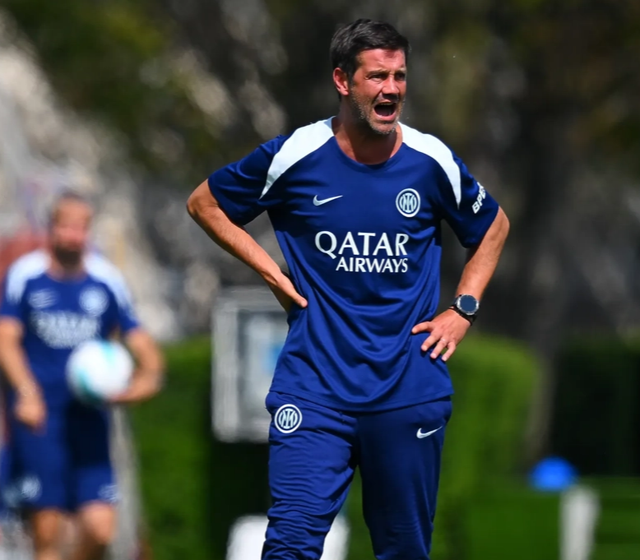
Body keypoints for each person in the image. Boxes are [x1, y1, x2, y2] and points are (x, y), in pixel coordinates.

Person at [187, 18, 509, 560]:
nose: (392, 89)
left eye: (399, 76)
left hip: (408, 388)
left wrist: (463, 308)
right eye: (377, 76)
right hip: (314, 388)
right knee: (288, 547)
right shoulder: (295, 154)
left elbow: (493, 227)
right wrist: (271, 273)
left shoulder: (431, 160)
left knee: (403, 551)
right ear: (342, 80)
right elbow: (205, 204)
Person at [0, 192, 164, 560]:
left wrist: (149, 377)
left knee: (100, 529)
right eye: (66, 226)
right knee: (48, 532)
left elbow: (140, 341)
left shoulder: (106, 280)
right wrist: (26, 392)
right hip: (41, 420)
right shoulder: (26, 275)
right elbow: (5, 340)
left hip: (90, 420)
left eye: (81, 227)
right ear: (51, 227)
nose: (73, 235)